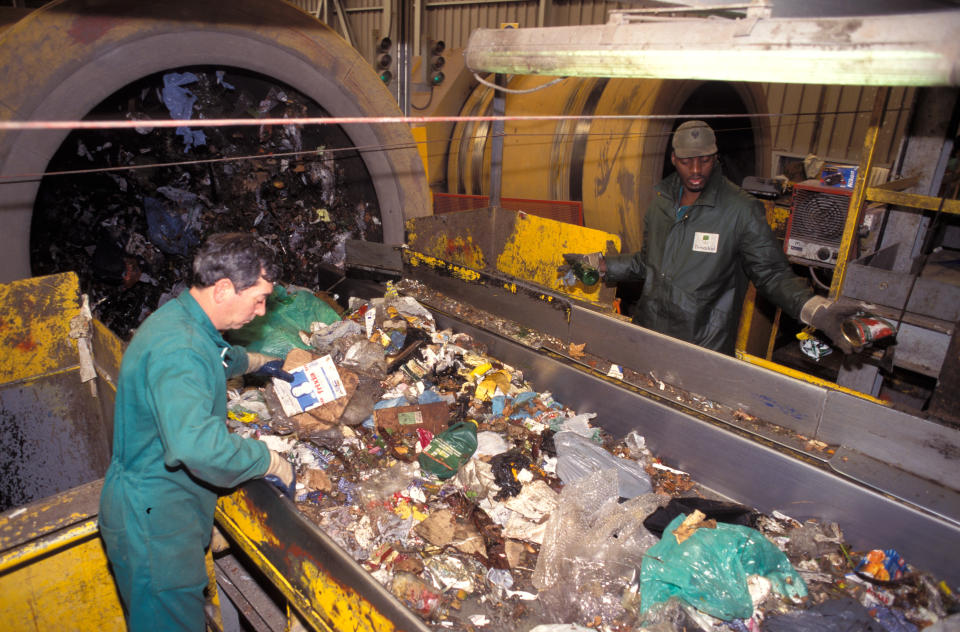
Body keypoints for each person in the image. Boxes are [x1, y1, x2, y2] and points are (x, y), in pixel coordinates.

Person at [99, 232, 296, 631]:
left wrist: (258, 361)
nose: (261, 312)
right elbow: (197, 447)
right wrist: (269, 460)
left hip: (156, 507)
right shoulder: (180, 349)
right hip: (156, 523)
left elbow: (216, 354)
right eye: (257, 299)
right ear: (224, 289)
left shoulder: (182, 319)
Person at [565, 120, 856, 355]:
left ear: (715, 158)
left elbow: (771, 274)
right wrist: (601, 265)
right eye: (687, 161)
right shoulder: (662, 202)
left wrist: (813, 309)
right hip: (648, 333)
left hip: (701, 347)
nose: (695, 171)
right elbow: (647, 262)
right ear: (673, 159)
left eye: (704, 161)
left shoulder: (740, 210)